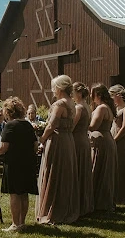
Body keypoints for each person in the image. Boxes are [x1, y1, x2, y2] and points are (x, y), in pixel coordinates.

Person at [0, 96, 38, 232]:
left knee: (14, 193)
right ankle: (22, 222)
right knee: (24, 193)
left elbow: (3, 149)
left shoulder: (10, 125)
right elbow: (35, 145)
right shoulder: (28, 125)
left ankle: (15, 224)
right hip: (28, 163)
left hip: (14, 164)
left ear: (8, 112)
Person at [36, 75, 79, 224]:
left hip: (58, 140)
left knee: (54, 171)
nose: (52, 90)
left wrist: (41, 139)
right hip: (68, 140)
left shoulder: (60, 104)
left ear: (60, 88)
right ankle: (65, 206)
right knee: (65, 172)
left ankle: (53, 209)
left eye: (54, 87)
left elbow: (51, 125)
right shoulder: (72, 103)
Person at [89, 83, 117, 213]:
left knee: (98, 170)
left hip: (101, 141)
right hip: (107, 139)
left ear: (98, 95)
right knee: (105, 171)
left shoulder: (101, 108)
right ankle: (104, 201)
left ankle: (99, 202)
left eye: (92, 93)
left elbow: (93, 126)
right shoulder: (108, 107)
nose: (90, 96)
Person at [71, 82, 94, 217]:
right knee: (83, 171)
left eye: (73, 92)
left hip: (77, 141)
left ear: (78, 93)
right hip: (84, 140)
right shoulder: (87, 106)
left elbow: (72, 126)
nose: (71, 95)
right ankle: (84, 203)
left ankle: (78, 204)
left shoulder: (79, 107)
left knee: (78, 170)